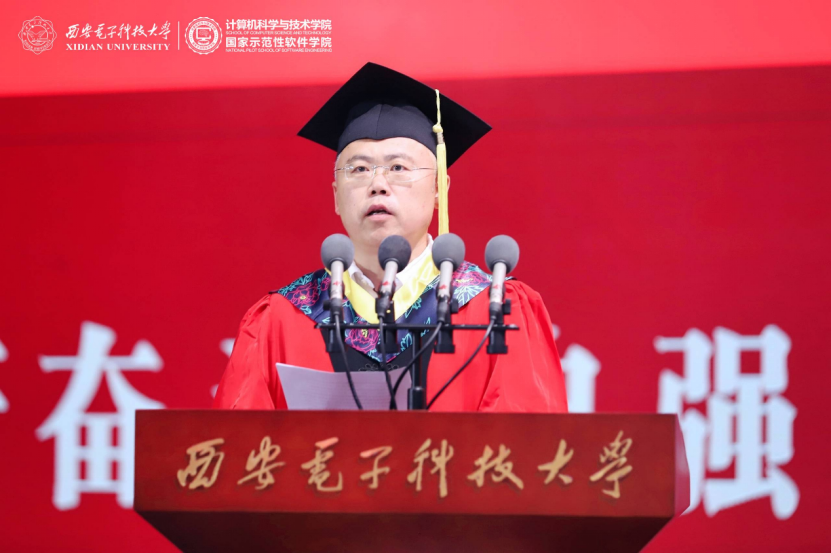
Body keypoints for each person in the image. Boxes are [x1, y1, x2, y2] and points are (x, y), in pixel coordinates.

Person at [213, 62, 567, 412]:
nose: (377, 184)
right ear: (336, 195)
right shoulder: (280, 319)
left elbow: (523, 442)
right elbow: (238, 443)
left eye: (398, 167)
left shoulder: (495, 312)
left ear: (439, 189)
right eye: (359, 169)